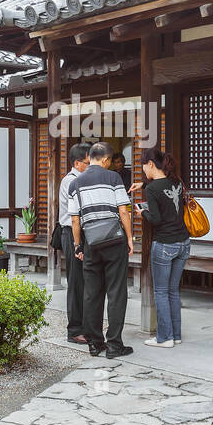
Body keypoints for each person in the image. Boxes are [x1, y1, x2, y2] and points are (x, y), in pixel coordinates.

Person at [68, 141, 134, 359]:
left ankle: (94, 344)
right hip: (114, 242)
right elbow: (123, 211)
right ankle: (114, 345)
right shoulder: (113, 178)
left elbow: (75, 220)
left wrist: (78, 245)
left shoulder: (76, 184)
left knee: (92, 294)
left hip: (91, 243)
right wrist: (130, 239)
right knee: (116, 292)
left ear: (90, 157)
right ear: (105, 160)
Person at [135, 148, 191, 348]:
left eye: (143, 165)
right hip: (184, 243)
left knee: (160, 291)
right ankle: (175, 335)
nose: (142, 170)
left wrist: (142, 213)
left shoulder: (151, 190)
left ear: (150, 164)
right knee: (173, 291)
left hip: (165, 244)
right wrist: (142, 184)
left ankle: (164, 338)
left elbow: (156, 219)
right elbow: (163, 189)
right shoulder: (176, 181)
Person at [59, 143, 91, 344]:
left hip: (82, 234)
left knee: (87, 282)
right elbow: (76, 215)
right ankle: (74, 330)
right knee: (76, 282)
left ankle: (85, 326)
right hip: (72, 234)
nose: (91, 166)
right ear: (77, 163)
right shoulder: (71, 182)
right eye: (88, 163)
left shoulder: (82, 179)